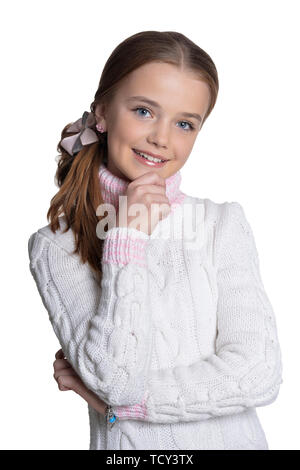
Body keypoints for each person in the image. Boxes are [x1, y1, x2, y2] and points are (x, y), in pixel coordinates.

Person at [28, 30, 283, 450]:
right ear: (103, 113)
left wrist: (123, 407)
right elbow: (117, 379)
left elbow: (258, 372)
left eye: (184, 123)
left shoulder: (222, 224)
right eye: (144, 111)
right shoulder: (56, 246)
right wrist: (126, 237)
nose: (162, 138)